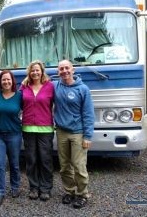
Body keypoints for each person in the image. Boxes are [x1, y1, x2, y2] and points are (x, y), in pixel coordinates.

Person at [53, 59, 94, 209]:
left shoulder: (83, 89)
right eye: (61, 69)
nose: (64, 71)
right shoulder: (55, 85)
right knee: (64, 166)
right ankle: (69, 191)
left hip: (78, 133)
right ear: (58, 72)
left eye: (66, 68)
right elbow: (38, 83)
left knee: (78, 165)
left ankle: (83, 194)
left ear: (73, 70)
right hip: (62, 132)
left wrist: (88, 136)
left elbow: (88, 114)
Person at [19, 60, 54, 201]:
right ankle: (33, 187)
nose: (35, 72)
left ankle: (45, 188)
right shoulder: (24, 88)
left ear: (42, 71)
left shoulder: (50, 86)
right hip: (28, 128)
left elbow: (56, 104)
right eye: (32, 70)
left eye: (37, 70)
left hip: (45, 129)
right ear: (29, 72)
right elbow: (17, 103)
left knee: (45, 159)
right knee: (31, 159)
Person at [0, 70, 22, 205]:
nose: (6, 82)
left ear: (12, 81)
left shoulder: (20, 96)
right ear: (0, 82)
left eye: (8, 79)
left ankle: (15, 187)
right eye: (3, 80)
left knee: (14, 164)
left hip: (14, 134)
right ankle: (0, 192)